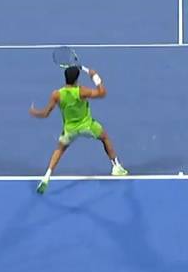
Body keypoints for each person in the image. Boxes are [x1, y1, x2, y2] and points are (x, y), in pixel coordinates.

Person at [29, 64, 128, 194]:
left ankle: (46, 176)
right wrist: (95, 76)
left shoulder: (56, 94)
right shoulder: (81, 91)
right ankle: (116, 167)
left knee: (59, 149)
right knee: (105, 138)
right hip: (87, 126)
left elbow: (45, 113)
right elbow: (102, 93)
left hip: (69, 130)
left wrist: (35, 112)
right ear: (76, 79)